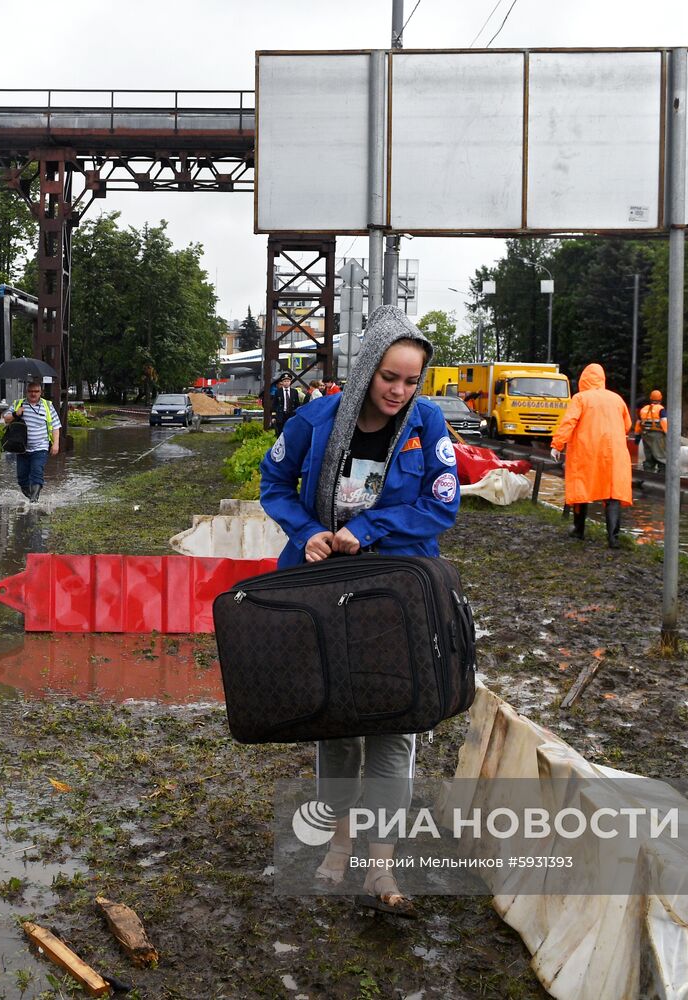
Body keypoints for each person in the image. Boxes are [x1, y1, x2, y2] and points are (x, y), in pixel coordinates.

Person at [259, 305, 461, 918]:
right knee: (338, 722)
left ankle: (381, 861)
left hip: (398, 594)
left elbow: (441, 506)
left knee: (394, 726)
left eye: (410, 380)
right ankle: (340, 840)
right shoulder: (314, 419)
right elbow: (275, 487)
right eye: (388, 378)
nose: (399, 391)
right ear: (367, 368)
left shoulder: (429, 426)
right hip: (325, 590)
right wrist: (309, 530)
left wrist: (369, 527)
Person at [550, 363, 633, 548]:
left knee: (581, 487)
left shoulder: (580, 398)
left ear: (583, 379)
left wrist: (557, 445)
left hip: (586, 450)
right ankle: (613, 538)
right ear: (603, 379)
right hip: (614, 452)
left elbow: (569, 422)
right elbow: (627, 425)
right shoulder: (617, 399)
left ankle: (579, 530)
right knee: (613, 491)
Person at [2, 378, 61, 501]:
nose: (33, 394)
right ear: (26, 392)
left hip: (41, 447)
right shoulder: (18, 404)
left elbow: (55, 426)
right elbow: (5, 419)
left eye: (36, 391)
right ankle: (31, 498)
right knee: (22, 478)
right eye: (30, 391)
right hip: (21, 448)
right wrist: (15, 414)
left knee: (36, 471)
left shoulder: (48, 406)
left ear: (41, 392)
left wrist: (56, 444)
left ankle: (34, 501)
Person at [635, 389, 669, 473]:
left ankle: (648, 476)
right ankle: (662, 478)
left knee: (649, 458)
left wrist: (637, 436)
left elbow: (638, 423)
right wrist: (668, 435)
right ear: (661, 398)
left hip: (645, 435)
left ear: (650, 398)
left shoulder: (643, 409)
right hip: (657, 436)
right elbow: (664, 422)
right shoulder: (661, 409)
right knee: (661, 457)